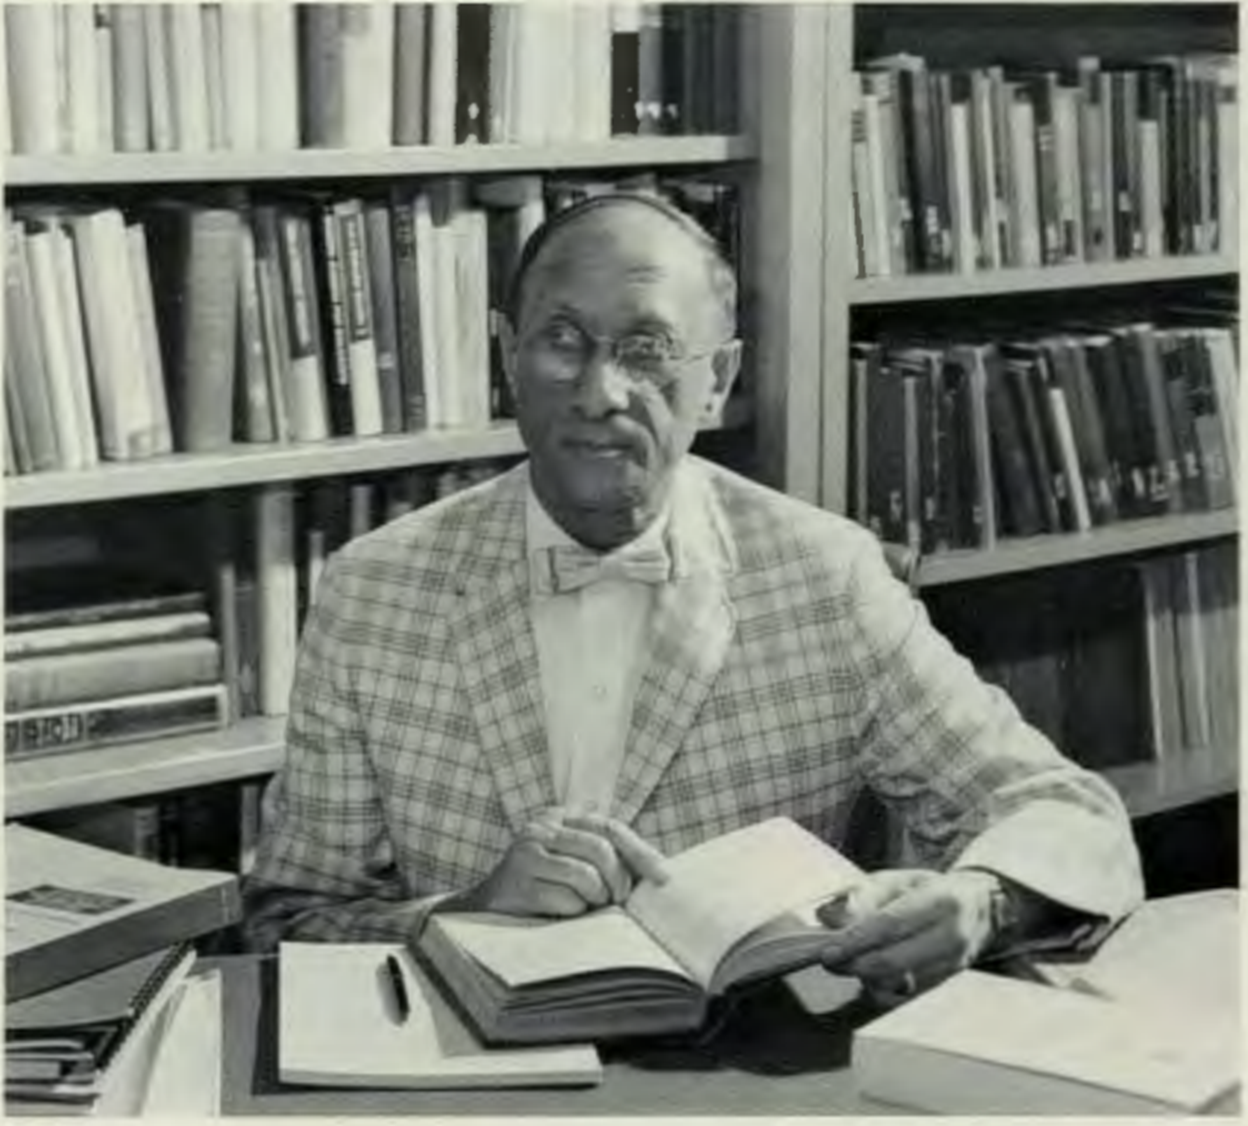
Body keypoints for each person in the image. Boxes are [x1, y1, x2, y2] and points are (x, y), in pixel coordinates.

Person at [245, 193, 1144, 1004]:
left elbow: (1065, 811)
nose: (600, 393)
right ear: (506, 357)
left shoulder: (823, 575)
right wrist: (463, 912)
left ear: (717, 379)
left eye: (648, 350)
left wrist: (981, 904)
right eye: (562, 340)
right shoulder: (374, 589)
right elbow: (286, 919)